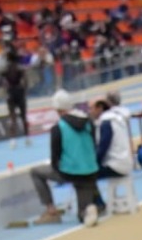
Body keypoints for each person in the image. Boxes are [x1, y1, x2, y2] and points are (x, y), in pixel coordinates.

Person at [31, 89, 101, 227]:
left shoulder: (58, 128)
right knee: (83, 216)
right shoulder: (88, 123)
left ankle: (51, 211)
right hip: (90, 171)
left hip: (69, 172)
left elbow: (55, 155)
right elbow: (94, 145)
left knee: (36, 172)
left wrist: (59, 169)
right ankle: (89, 208)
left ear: (57, 109)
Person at [91, 95, 134, 209]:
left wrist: (93, 163)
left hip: (116, 165)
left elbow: (103, 148)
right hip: (125, 161)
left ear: (100, 108)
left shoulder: (106, 123)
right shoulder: (116, 118)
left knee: (86, 175)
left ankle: (98, 204)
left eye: (91, 108)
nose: (90, 112)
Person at [0, 48, 30, 148]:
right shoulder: (20, 68)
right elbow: (25, 82)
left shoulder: (5, 69)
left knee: (12, 117)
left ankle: (13, 140)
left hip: (11, 93)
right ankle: (27, 138)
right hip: (19, 92)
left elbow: (1, 81)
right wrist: (24, 91)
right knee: (23, 116)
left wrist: (6, 89)